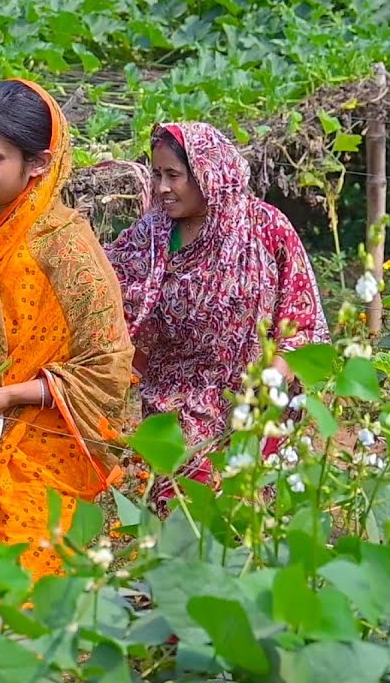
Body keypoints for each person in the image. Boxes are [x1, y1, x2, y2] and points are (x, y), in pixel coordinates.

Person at [0, 79, 135, 578]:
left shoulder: (67, 251)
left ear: (38, 164)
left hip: (39, 452)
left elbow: (107, 368)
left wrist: (7, 396)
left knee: (21, 601)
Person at [105, 122, 329, 511]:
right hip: (175, 397)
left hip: (255, 399)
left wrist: (271, 377)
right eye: (157, 174)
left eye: (173, 176)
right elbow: (104, 288)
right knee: (184, 513)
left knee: (247, 515)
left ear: (208, 174)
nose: (161, 187)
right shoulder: (152, 235)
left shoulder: (265, 229)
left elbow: (300, 312)